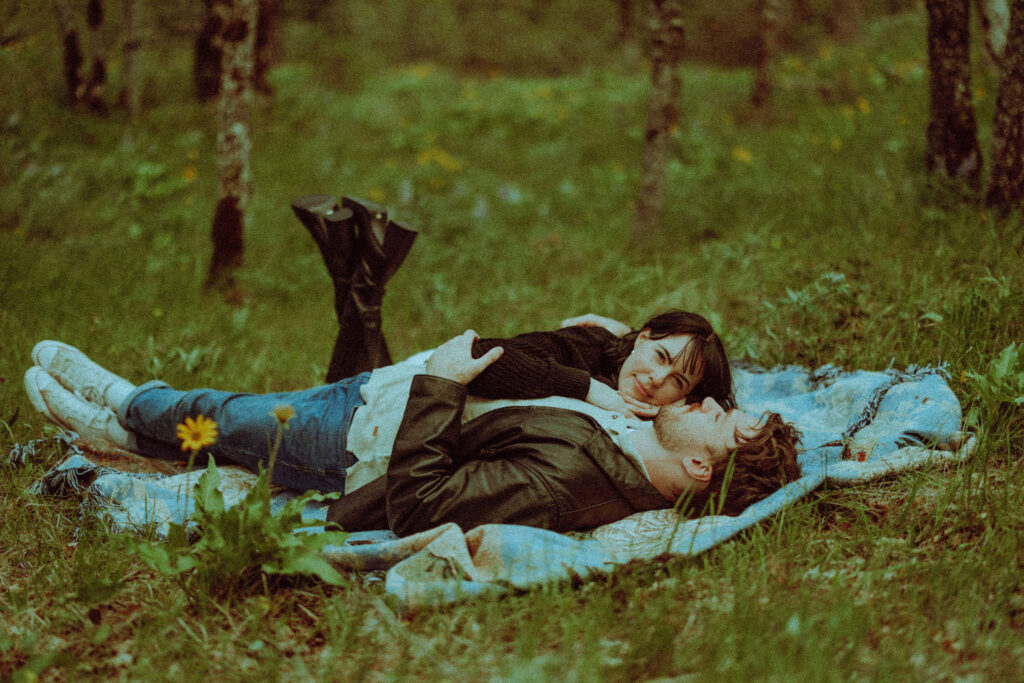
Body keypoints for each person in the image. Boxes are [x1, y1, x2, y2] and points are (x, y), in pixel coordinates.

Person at [23, 331, 801, 536]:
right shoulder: (631, 442)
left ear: (701, 464)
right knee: (236, 421)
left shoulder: (569, 481)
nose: (699, 401)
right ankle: (126, 427)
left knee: (228, 416)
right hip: (384, 405)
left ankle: (127, 403)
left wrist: (442, 386)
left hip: (364, 441)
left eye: (714, 412)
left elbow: (423, 501)